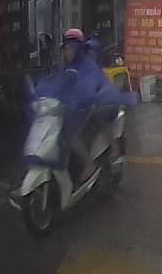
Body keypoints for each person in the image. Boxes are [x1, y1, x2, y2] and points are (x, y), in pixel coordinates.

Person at [53, 29, 137, 182]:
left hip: (98, 104)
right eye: (65, 48)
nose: (66, 52)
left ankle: (92, 163)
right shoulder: (66, 67)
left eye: (70, 48)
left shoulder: (87, 65)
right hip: (80, 107)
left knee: (73, 133)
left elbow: (90, 88)